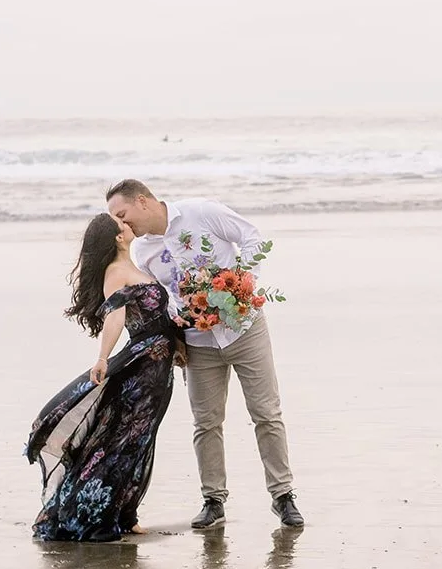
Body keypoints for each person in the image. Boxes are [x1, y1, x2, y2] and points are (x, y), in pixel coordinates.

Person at [105, 178, 303, 530]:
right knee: (206, 422)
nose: (123, 224)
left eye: (123, 214)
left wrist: (243, 284)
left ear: (143, 201)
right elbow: (162, 299)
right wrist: (175, 335)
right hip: (197, 341)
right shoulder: (143, 252)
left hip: (244, 328)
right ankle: (213, 501)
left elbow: (252, 237)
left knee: (266, 413)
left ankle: (283, 496)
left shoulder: (201, 212)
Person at [25, 213, 186, 542]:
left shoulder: (136, 266)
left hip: (159, 364)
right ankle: (101, 515)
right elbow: (115, 316)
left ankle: (125, 514)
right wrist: (101, 357)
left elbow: (155, 314)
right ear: (118, 237)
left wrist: (178, 339)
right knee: (126, 440)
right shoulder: (116, 272)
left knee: (140, 439)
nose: (128, 224)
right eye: (122, 223)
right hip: (144, 367)